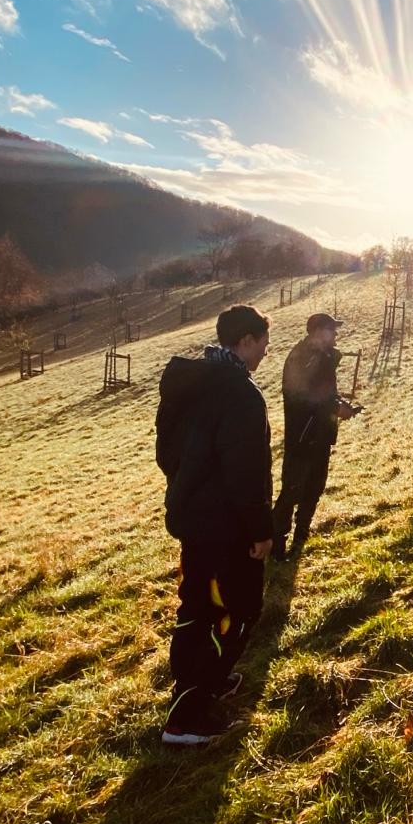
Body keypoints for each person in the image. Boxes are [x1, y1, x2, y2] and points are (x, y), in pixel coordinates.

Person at [155, 304, 273, 746]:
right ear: (245, 341)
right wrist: (261, 530)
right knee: (237, 612)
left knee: (197, 608)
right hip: (228, 530)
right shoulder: (239, 395)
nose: (264, 351)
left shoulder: (190, 386)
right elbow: (246, 473)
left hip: (193, 520)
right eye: (262, 342)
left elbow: (167, 455)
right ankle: (188, 718)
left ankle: (197, 687)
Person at [272, 312, 357, 557]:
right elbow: (301, 397)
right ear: (318, 332)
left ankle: (300, 540)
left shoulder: (324, 357)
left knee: (314, 489)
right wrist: (334, 407)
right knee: (292, 491)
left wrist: (341, 405)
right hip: (302, 438)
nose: (336, 334)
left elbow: (326, 394)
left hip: (321, 436)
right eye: (332, 330)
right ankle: (277, 546)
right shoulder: (301, 358)